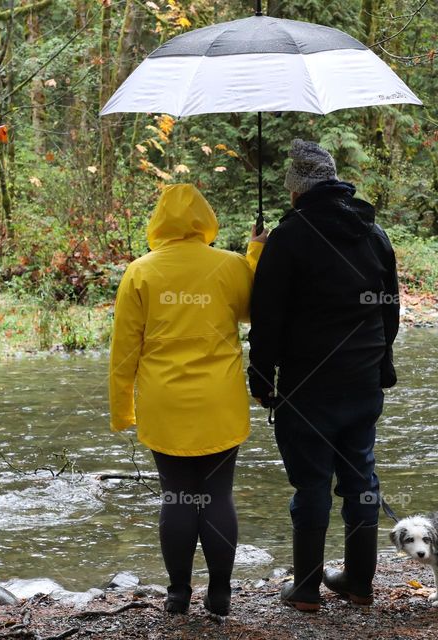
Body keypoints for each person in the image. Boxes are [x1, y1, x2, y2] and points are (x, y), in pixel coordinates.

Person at [248, 139, 399, 612]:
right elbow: (389, 311)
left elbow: (266, 319)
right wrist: (380, 363)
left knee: (311, 483)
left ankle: (308, 588)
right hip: (362, 381)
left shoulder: (288, 238)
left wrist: (261, 377)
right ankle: (359, 583)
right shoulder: (373, 234)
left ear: (296, 190)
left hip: (305, 387)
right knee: (361, 479)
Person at [108, 183, 266, 616]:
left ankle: (178, 594)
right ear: (205, 219)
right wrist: (255, 253)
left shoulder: (140, 272)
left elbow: (124, 351)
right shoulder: (230, 266)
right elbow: (255, 308)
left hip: (165, 402)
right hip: (220, 401)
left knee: (177, 496)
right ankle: (220, 595)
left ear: (159, 221)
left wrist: (123, 410)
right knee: (218, 495)